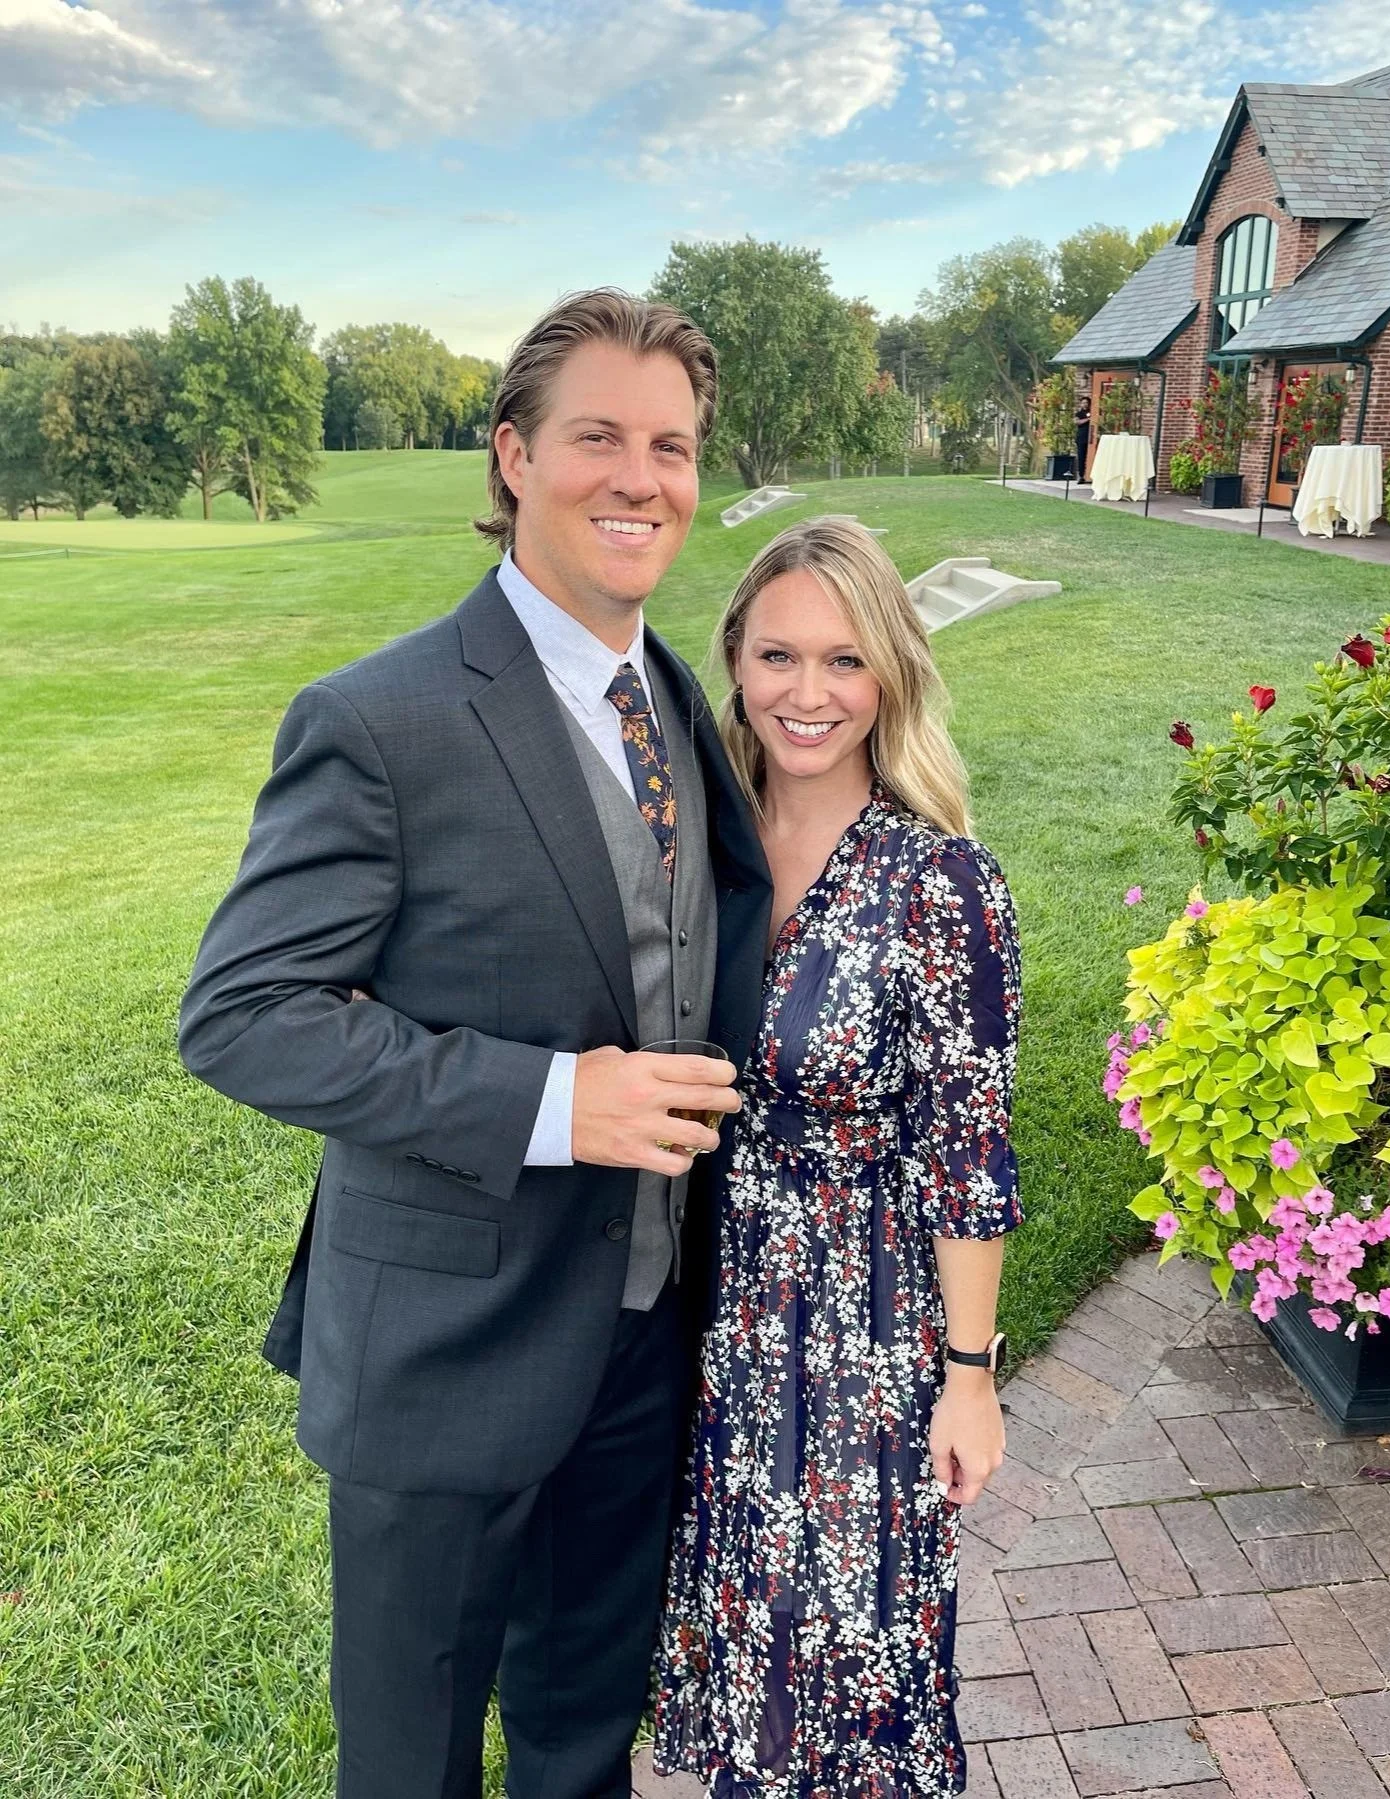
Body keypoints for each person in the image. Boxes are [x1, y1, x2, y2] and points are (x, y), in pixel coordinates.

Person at [177, 289, 772, 1799]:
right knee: (412, 1759)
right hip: (444, 1354)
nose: (640, 477)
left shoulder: (673, 693)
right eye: (597, 437)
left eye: (673, 445)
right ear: (512, 455)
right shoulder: (380, 719)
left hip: (641, 1332)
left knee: (581, 1738)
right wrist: (554, 1099)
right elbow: (240, 1014)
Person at [653, 516, 1022, 1798]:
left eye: (844, 660)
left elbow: (968, 1157)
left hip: (861, 1336)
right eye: (776, 656)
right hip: (706, 1318)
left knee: (849, 1668)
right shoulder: (693, 849)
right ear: (734, 665)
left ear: (892, 677)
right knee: (739, 1647)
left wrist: (967, 1378)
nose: (807, 693)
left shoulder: (943, 886)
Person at [1074, 394, 1092, 481]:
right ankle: (1081, 476)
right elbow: (1077, 422)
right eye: (1083, 403)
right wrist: (1088, 419)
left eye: (1087, 403)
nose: (1085, 404)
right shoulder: (1079, 413)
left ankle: (1091, 475)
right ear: (1081, 404)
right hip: (1081, 438)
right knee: (1081, 457)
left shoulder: (1092, 412)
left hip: (1091, 437)